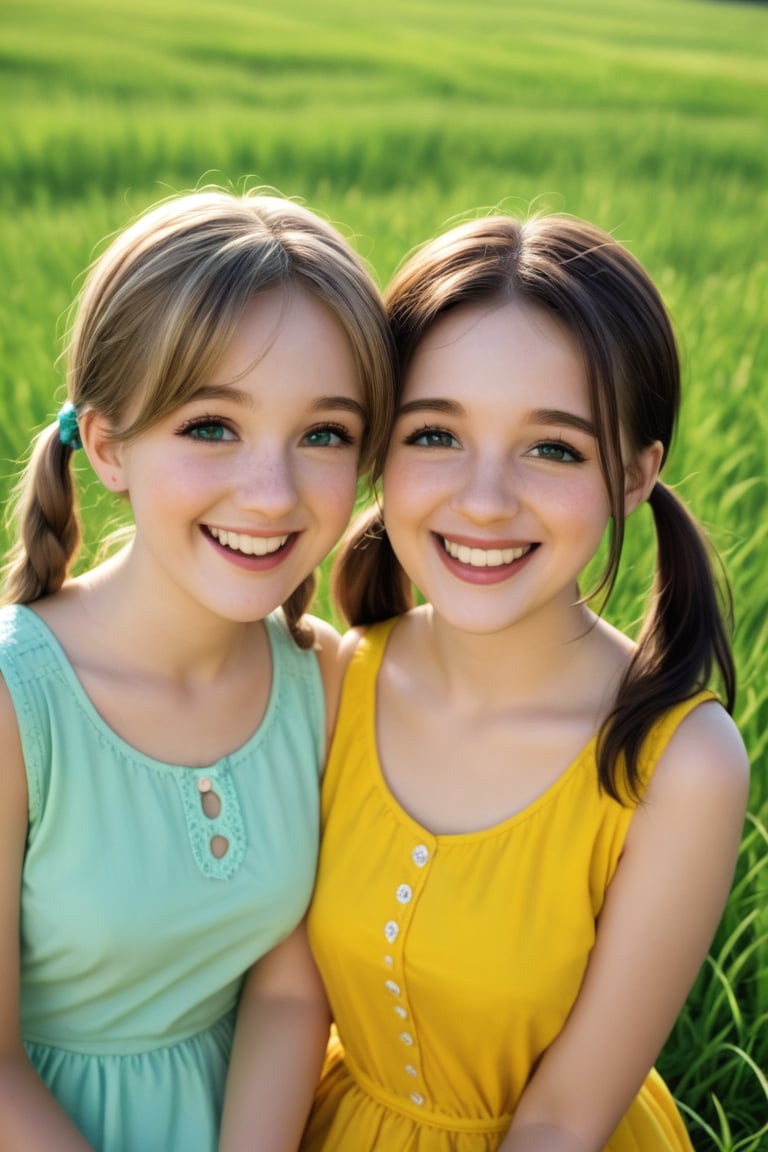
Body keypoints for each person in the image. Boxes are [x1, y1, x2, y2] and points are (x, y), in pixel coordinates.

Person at [300, 213, 750, 1152]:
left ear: (633, 474)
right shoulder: (332, 679)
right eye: (435, 435)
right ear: (380, 447)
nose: (485, 500)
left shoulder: (681, 764)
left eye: (553, 448)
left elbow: (560, 1120)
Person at [0, 187, 396, 1152]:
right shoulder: (19, 701)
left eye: (324, 434)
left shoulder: (326, 681)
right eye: (211, 425)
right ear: (107, 445)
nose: (270, 494)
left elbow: (291, 989)